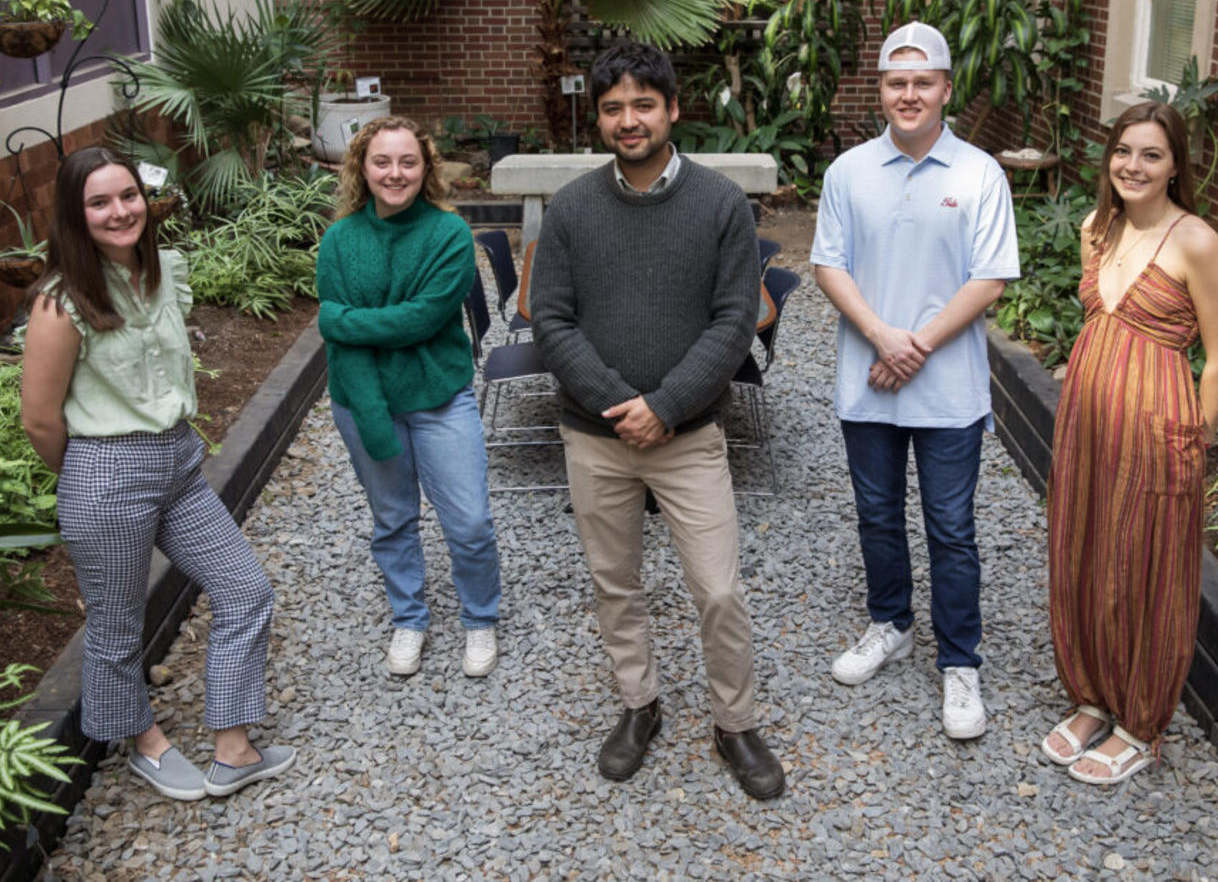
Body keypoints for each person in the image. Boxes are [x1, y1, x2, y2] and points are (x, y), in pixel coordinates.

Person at [531, 41, 785, 799]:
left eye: (644, 104)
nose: (629, 120)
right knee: (616, 583)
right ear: (599, 119)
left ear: (673, 109)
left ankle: (734, 722)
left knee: (718, 589)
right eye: (614, 108)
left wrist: (666, 406)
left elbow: (735, 318)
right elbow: (550, 318)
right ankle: (639, 705)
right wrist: (619, 404)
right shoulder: (572, 207)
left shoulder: (719, 205)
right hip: (593, 436)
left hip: (689, 437)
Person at [21, 146, 292, 801]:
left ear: (145, 199)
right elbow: (39, 419)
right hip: (106, 470)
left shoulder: (164, 272)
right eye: (99, 202)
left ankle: (233, 749)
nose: (120, 212)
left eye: (128, 196)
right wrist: (88, 480)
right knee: (116, 626)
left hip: (178, 461)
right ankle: (144, 741)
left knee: (245, 589)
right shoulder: (62, 304)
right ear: (74, 216)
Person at [810, 22, 1019, 739]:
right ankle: (890, 623)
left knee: (952, 528)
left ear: (945, 89)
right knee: (876, 514)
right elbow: (828, 265)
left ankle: (960, 662)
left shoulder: (979, 174)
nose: (909, 94)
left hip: (947, 389)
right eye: (896, 83)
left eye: (922, 81)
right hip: (866, 379)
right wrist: (881, 336)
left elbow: (989, 279)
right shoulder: (848, 173)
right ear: (881, 90)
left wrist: (914, 345)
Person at [1043, 101, 1218, 785]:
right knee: (1083, 551)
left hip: (1160, 428)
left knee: (1145, 568)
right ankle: (1093, 696)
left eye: (1151, 155)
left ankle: (1140, 722)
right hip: (1087, 424)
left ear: (1176, 166)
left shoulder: (1198, 243)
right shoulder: (1097, 229)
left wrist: (1194, 442)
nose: (1134, 165)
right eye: (1124, 151)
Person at [316, 116, 501, 680]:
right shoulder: (340, 240)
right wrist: (373, 418)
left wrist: (343, 320)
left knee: (468, 521)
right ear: (362, 169)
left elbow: (425, 318)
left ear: (426, 169)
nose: (394, 173)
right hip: (363, 401)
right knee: (393, 519)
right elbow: (345, 345)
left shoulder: (449, 235)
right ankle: (409, 618)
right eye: (382, 162)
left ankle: (479, 617)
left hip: (439, 397)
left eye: (407, 162)